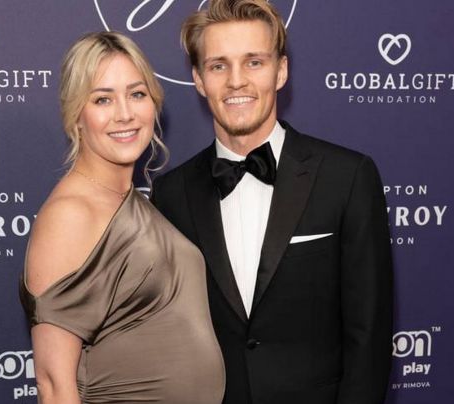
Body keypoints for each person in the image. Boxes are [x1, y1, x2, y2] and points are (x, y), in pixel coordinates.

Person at [151, 1, 393, 403]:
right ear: (198, 79)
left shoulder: (347, 177)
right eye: (218, 66)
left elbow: (369, 337)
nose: (236, 81)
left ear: (281, 71)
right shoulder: (171, 194)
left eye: (254, 62)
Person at [19, 31, 225, 404]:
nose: (125, 114)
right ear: (76, 115)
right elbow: (53, 385)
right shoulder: (71, 214)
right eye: (103, 99)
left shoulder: (131, 201)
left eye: (136, 94)